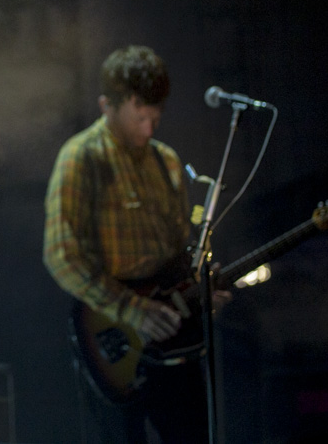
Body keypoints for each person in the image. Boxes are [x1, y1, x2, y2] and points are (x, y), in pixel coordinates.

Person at [43, 45, 228, 443]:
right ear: (107, 105)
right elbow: (61, 255)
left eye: (156, 116)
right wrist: (130, 308)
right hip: (113, 340)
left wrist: (202, 288)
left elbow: (180, 251)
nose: (150, 127)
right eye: (141, 116)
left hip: (174, 339)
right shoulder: (80, 158)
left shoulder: (168, 161)